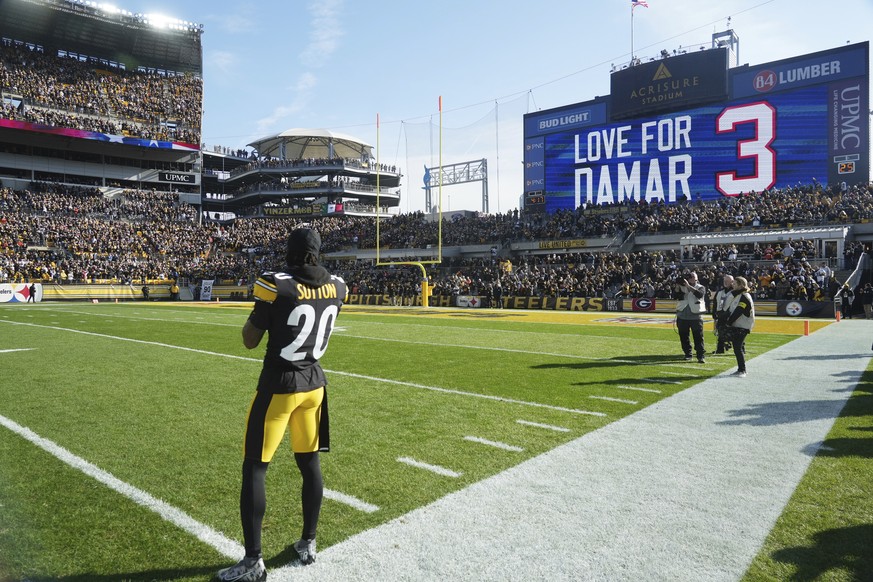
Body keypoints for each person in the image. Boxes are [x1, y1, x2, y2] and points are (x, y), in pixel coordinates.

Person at [218, 228, 347, 582]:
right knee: (309, 463)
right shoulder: (338, 286)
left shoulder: (276, 285)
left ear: (289, 252)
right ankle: (308, 541)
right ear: (317, 253)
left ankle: (253, 560)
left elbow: (249, 339)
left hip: (279, 386)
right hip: (315, 386)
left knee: (255, 468)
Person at [725, 276, 755, 377]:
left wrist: (728, 322)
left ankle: (742, 370)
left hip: (743, 325)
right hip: (739, 324)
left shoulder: (744, 296)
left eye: (735, 283)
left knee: (738, 347)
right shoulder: (739, 295)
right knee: (737, 347)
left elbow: (739, 311)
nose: (733, 284)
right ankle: (740, 369)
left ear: (741, 285)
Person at [675, 270, 707, 363]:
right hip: (682, 315)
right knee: (684, 336)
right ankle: (688, 354)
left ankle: (700, 355)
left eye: (692, 276)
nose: (690, 278)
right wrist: (677, 288)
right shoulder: (682, 287)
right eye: (689, 277)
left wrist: (689, 286)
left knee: (698, 337)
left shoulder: (701, 287)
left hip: (696, 316)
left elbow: (699, 294)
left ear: (696, 278)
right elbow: (676, 297)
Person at [712, 274, 734, 354]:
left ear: (732, 282)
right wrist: (714, 313)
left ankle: (740, 348)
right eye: (725, 281)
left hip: (730, 315)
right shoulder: (719, 292)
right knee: (720, 333)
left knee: (734, 333)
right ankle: (720, 349)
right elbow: (715, 303)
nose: (725, 283)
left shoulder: (735, 292)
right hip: (720, 315)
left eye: (727, 281)